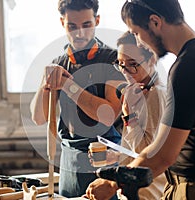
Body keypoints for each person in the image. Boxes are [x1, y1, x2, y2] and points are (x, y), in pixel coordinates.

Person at [86, 0, 195, 199]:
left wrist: (113, 183)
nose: (138, 42)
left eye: (136, 33)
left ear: (155, 22)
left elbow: (162, 154)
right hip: (192, 185)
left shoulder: (189, 65)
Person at [30, 0, 125, 198]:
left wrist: (67, 85)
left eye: (86, 25)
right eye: (72, 26)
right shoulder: (57, 64)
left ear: (97, 20)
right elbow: (39, 118)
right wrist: (45, 83)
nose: (79, 33)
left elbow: (107, 116)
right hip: (69, 161)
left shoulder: (113, 60)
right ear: (62, 23)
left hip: (103, 158)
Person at [86, 31, 167, 200]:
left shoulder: (155, 94)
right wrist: (116, 156)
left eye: (132, 64)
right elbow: (138, 148)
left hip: (148, 193)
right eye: (120, 63)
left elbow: (148, 154)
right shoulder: (139, 91)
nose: (125, 71)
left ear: (152, 59)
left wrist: (128, 115)